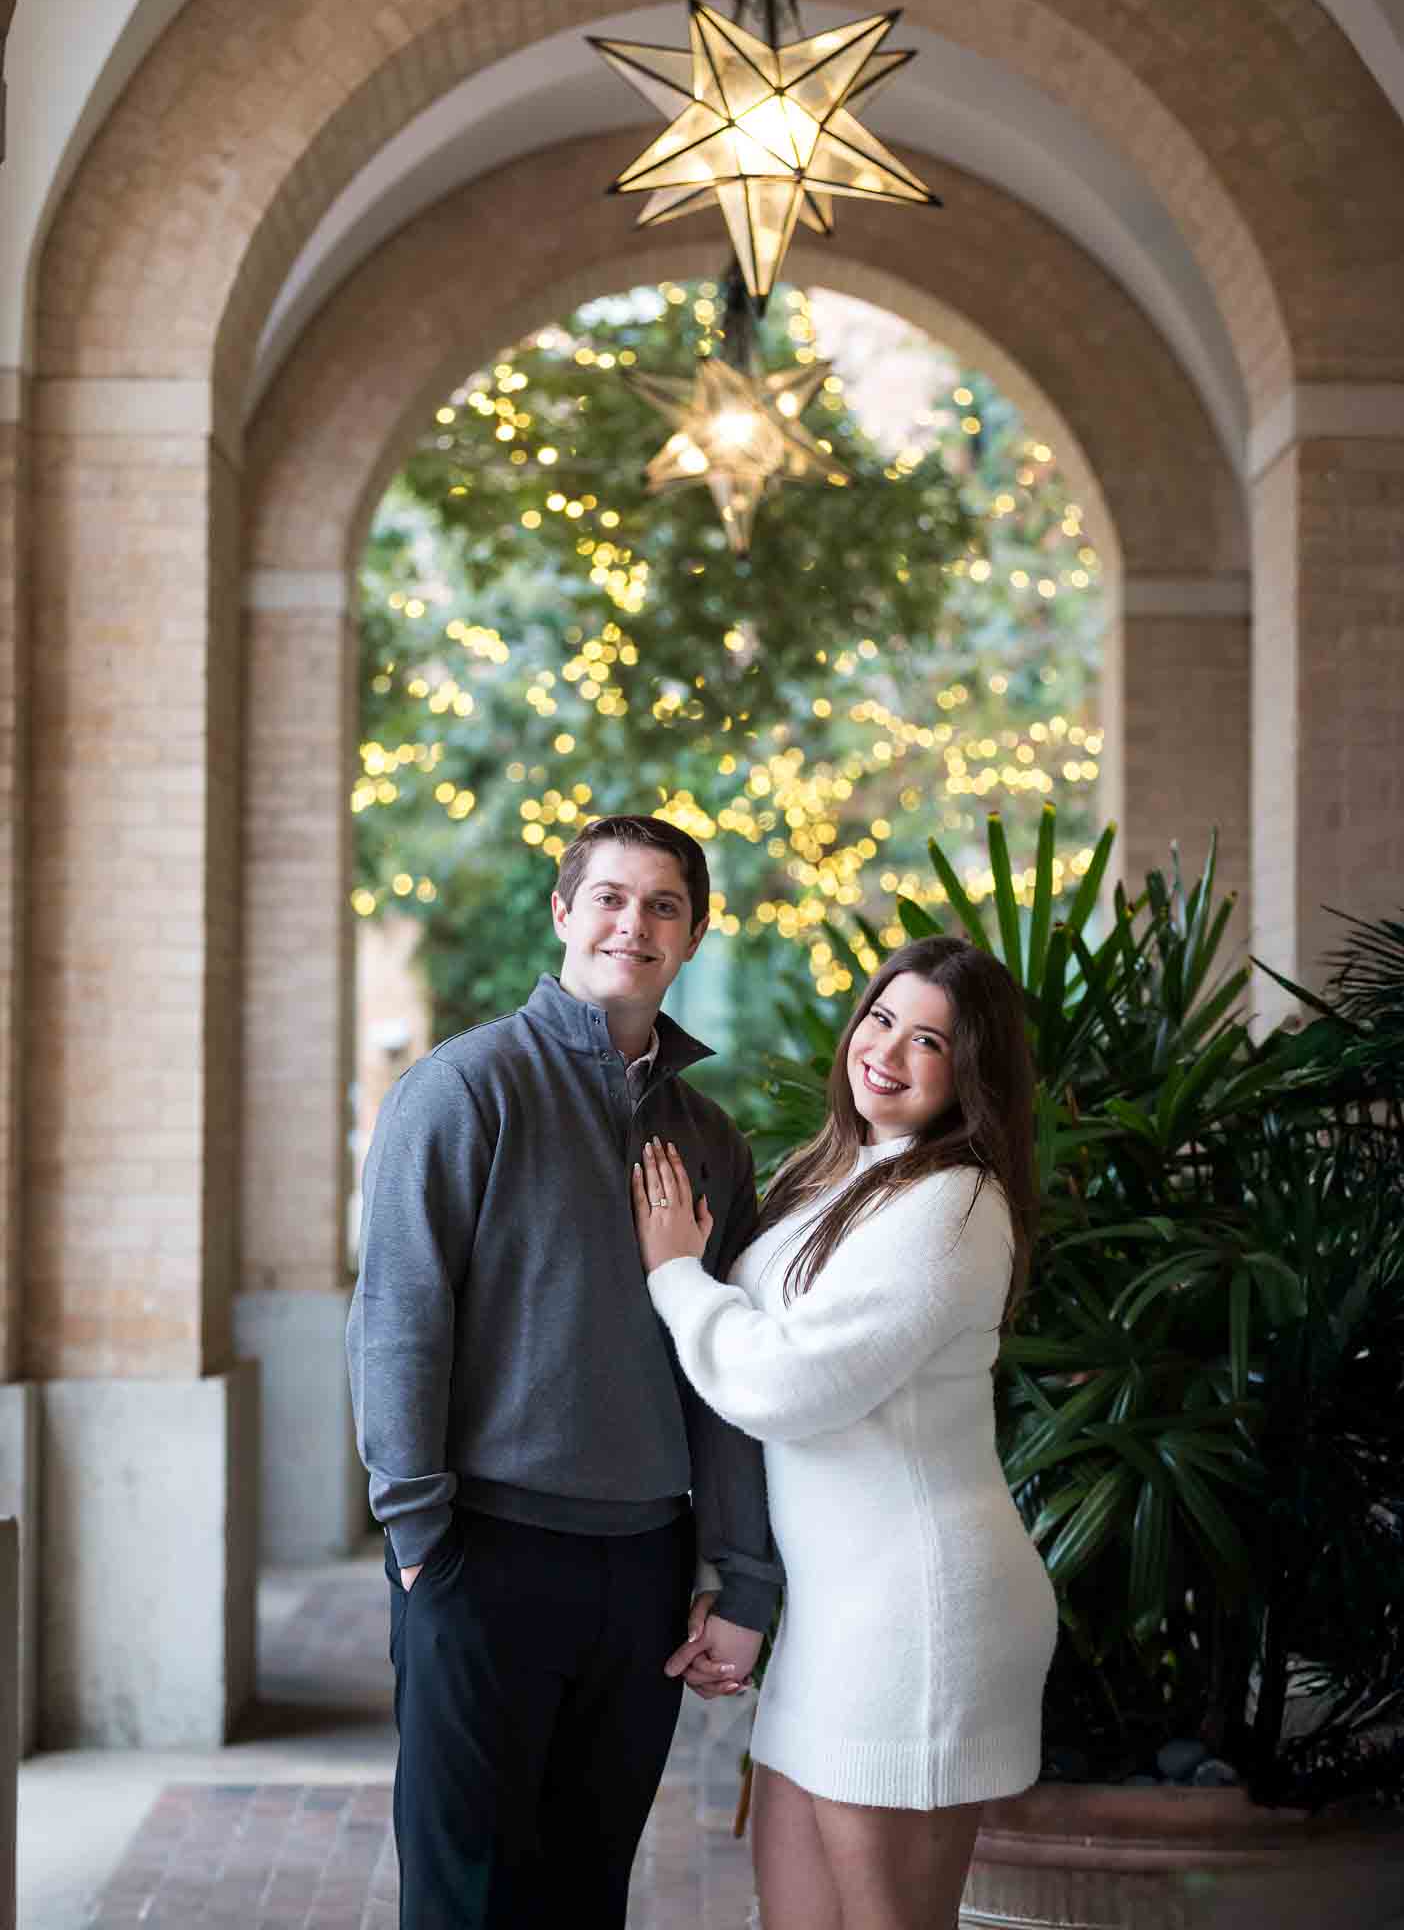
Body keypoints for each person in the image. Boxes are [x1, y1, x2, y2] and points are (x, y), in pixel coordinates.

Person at [347, 814, 781, 1929]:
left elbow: (720, 1371)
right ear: (564, 912)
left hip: (639, 1570)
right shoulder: (463, 1089)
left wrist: (737, 1571)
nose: (633, 924)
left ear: (692, 935)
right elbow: (401, 1317)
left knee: (585, 1897)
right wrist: (417, 1537)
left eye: (664, 905)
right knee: (463, 1901)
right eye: (610, 897)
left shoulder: (709, 1139)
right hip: (479, 1557)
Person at [632, 935, 1058, 1930]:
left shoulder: (951, 1203)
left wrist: (673, 1275)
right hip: (835, 1615)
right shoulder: (838, 1171)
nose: (888, 1053)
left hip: (914, 1616)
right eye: (881, 1019)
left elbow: (785, 1384)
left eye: (930, 1041)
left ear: (974, 1073)